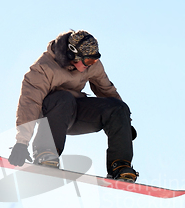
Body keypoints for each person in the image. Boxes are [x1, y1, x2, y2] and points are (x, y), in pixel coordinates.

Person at [8, 30, 139, 182]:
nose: (91, 65)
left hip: (75, 112)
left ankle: (120, 166)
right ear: (73, 55)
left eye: (94, 61)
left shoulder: (91, 66)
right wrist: (21, 142)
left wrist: (123, 123)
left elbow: (107, 90)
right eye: (88, 61)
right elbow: (30, 104)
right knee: (64, 98)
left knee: (118, 108)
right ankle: (46, 153)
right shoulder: (43, 68)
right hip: (52, 115)